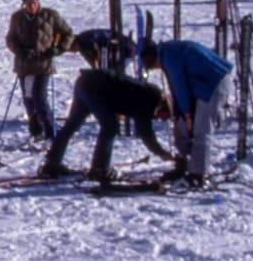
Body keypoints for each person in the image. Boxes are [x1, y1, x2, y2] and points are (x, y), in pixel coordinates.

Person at [38, 66, 175, 182]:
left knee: (73, 124)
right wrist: (161, 153)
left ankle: (51, 163)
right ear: (164, 107)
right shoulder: (149, 101)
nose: (162, 120)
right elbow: (145, 132)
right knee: (110, 126)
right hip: (94, 88)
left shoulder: (152, 97)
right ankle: (100, 169)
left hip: (86, 82)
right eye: (166, 116)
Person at [141, 38, 235, 185]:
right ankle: (184, 164)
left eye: (153, 66)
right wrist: (179, 117)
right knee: (185, 127)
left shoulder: (170, 57)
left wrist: (186, 114)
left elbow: (180, 88)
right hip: (203, 84)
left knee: (201, 129)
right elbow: (176, 92)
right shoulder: (167, 52)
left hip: (214, 83)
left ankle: (198, 174)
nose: (156, 68)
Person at [7, 0, 75, 142]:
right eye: (28, 3)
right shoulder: (17, 17)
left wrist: (57, 49)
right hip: (24, 65)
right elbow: (11, 38)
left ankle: (51, 133)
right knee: (28, 100)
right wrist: (20, 51)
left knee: (40, 99)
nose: (32, 6)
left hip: (43, 64)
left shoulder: (50, 15)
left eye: (34, 2)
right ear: (24, 4)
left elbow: (68, 33)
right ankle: (36, 133)